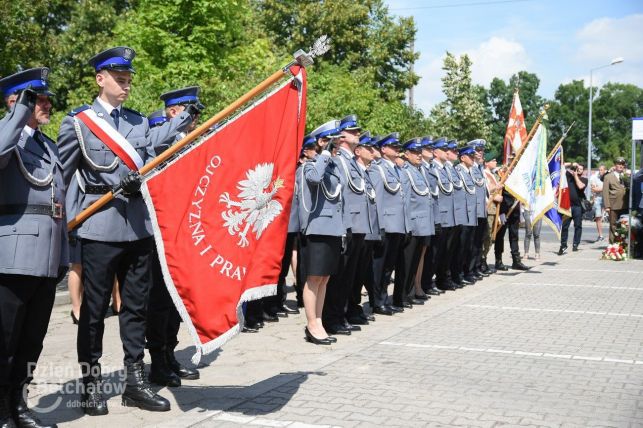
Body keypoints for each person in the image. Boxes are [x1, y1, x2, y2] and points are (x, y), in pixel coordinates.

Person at [58, 46, 170, 414]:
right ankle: (91, 385)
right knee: (93, 310)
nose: (125, 85)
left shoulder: (139, 123)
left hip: (137, 225)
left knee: (135, 308)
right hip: (99, 226)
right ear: (100, 79)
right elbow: (61, 176)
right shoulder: (77, 123)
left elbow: (153, 159)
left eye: (128, 80)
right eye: (118, 79)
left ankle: (134, 382)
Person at [0, 68, 68, 428]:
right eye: (38, 98)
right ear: (15, 101)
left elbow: (59, 206)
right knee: (6, 342)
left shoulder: (46, 145)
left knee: (32, 341)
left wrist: (65, 256)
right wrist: (16, 116)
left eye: (46, 99)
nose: (47, 104)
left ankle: (19, 403)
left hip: (46, 258)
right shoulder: (6, 134)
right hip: (12, 259)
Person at [145, 87, 202, 388]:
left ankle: (169, 353)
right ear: (173, 111)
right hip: (161, 228)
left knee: (176, 297)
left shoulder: (186, 140)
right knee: (160, 298)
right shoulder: (161, 137)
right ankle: (157, 360)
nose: (195, 116)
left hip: (183, 228)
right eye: (189, 109)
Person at [298, 120, 344, 345]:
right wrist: (324, 154)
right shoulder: (310, 166)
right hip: (317, 229)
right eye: (327, 141)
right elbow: (314, 180)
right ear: (316, 144)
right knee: (313, 278)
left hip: (333, 229)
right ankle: (311, 323)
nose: (332, 146)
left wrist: (330, 156)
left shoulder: (332, 165)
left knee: (324, 279)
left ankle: (319, 320)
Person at [323, 115, 370, 335]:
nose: (357, 134)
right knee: (339, 276)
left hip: (358, 224)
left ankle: (341, 315)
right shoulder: (338, 160)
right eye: (353, 132)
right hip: (347, 225)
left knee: (350, 276)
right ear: (342, 137)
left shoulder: (352, 161)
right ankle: (332, 319)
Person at [367, 133, 408, 314]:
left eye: (398, 147)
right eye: (393, 146)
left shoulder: (397, 169)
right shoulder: (378, 169)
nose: (397, 149)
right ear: (383, 149)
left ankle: (383, 297)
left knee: (389, 266)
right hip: (387, 224)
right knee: (380, 266)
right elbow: (378, 200)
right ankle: (377, 301)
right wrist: (380, 226)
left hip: (398, 224)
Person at [399, 138, 435, 307]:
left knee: (414, 262)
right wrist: (407, 225)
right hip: (413, 224)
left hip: (422, 224)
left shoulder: (419, 171)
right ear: (406, 154)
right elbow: (405, 200)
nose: (419, 155)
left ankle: (410, 291)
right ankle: (402, 295)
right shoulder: (406, 171)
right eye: (415, 152)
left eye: (420, 152)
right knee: (406, 263)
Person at [453, 146, 479, 284]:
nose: (473, 158)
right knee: (460, 247)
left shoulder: (471, 172)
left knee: (468, 246)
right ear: (462, 158)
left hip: (471, 215)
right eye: (470, 156)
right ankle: (457, 275)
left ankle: (464, 272)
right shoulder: (458, 171)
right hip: (462, 215)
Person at [559, 162, 587, 254]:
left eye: (580, 169)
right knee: (565, 226)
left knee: (578, 226)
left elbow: (580, 186)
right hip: (568, 206)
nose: (578, 170)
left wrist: (575, 176)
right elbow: (561, 166)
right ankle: (563, 245)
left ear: (583, 171)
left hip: (578, 206)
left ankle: (575, 244)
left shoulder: (584, 179)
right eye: (577, 168)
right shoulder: (568, 176)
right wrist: (571, 164)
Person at [482, 152, 502, 273]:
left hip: (494, 210)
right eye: (493, 160)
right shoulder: (485, 174)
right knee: (487, 236)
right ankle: (482, 260)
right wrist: (495, 195)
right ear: (487, 162)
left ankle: (483, 259)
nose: (495, 162)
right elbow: (487, 189)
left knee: (490, 237)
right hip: (488, 208)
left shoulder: (493, 174)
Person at [602, 157, 628, 244]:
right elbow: (605, 192)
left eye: (622, 164)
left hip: (625, 204)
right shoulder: (608, 177)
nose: (621, 166)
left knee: (624, 225)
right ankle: (612, 244)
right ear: (615, 165)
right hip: (613, 205)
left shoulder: (626, 176)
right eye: (619, 164)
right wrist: (607, 206)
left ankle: (622, 244)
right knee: (613, 225)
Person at [590, 164, 607, 242]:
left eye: (601, 170)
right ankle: (600, 235)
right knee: (598, 217)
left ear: (605, 170)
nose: (600, 171)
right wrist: (604, 188)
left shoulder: (607, 178)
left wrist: (599, 188)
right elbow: (593, 190)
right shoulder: (595, 178)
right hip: (598, 198)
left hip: (607, 198)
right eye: (599, 169)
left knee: (611, 216)